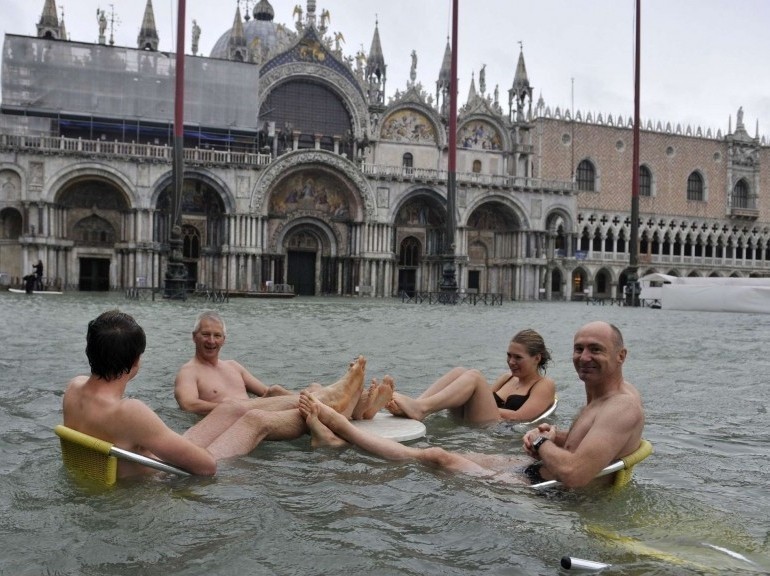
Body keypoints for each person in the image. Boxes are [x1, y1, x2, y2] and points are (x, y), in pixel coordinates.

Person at [300, 321, 644, 489]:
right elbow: (590, 445)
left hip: (543, 490)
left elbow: (575, 474)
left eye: (595, 349)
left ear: (621, 356)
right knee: (444, 445)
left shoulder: (621, 406)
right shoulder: (604, 399)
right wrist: (555, 436)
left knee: (437, 455)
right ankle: (360, 425)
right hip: (531, 467)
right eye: (579, 348)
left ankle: (342, 428)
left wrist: (539, 441)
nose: (584, 357)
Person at [63, 310, 367, 479]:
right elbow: (206, 467)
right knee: (254, 420)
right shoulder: (129, 412)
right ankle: (331, 407)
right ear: (135, 363)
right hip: (162, 475)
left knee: (233, 407)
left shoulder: (75, 388)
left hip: (140, 464)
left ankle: (328, 396)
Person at [385, 329, 556, 424]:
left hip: (497, 427)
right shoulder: (507, 378)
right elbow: (480, 398)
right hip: (477, 419)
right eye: (509, 355)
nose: (511, 362)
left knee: (474, 376)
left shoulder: (544, 385)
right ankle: (415, 405)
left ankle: (420, 408)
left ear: (537, 358)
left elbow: (520, 417)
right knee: (460, 371)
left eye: (518, 357)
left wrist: (482, 405)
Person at [174, 311, 294, 415]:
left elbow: (266, 392)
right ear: (194, 337)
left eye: (217, 335)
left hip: (257, 415)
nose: (211, 341)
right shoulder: (188, 372)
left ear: (223, 340)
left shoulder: (234, 366)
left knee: (276, 390)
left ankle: (309, 400)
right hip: (230, 424)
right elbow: (188, 405)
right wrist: (234, 407)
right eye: (206, 334)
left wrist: (247, 407)